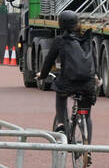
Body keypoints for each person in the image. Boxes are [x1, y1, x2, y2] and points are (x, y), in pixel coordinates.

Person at [38, 10, 99, 155]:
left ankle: (61, 124)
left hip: (68, 83)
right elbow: (93, 61)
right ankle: (87, 149)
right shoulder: (87, 39)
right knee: (87, 115)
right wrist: (96, 77)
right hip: (88, 84)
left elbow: (49, 61)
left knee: (60, 95)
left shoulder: (60, 41)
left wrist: (42, 75)